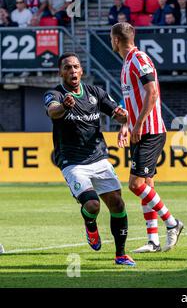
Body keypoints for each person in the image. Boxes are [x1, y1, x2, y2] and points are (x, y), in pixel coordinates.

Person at [44, 52, 135, 266]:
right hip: (72, 161)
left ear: (81, 71)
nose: (72, 71)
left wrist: (124, 120)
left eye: (76, 67)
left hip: (98, 157)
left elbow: (120, 114)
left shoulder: (95, 93)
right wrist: (64, 106)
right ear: (60, 72)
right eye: (67, 67)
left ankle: (120, 254)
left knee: (117, 203)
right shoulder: (54, 94)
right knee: (93, 205)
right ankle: (90, 224)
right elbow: (53, 112)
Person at [110, 22, 184, 253]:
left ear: (116, 40)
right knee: (147, 184)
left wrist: (138, 124)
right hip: (140, 130)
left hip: (150, 131)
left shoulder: (139, 59)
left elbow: (152, 93)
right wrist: (127, 125)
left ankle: (172, 223)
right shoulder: (127, 63)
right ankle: (153, 240)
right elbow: (134, 99)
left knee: (135, 184)